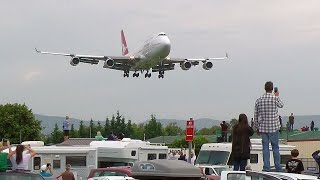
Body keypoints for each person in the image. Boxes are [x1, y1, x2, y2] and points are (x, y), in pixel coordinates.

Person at [254, 81, 284, 172]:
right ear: (272, 88)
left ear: (265, 88)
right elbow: (281, 105)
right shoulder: (274, 98)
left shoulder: (259, 100)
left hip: (263, 128)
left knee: (265, 148)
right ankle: (278, 167)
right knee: (275, 147)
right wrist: (277, 95)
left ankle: (266, 167)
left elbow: (256, 115)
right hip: (274, 127)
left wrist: (256, 127)